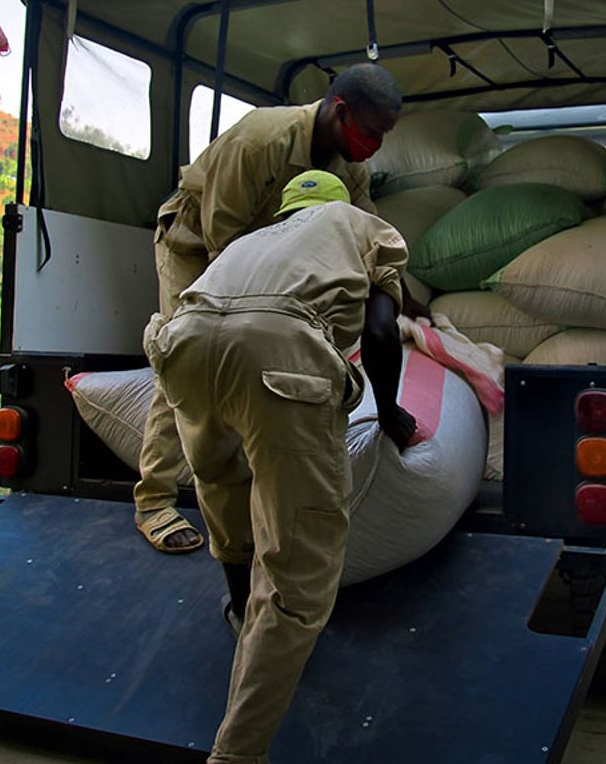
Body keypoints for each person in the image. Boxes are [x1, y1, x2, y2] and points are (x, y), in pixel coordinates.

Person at [144, 170, 416, 764]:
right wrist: (389, 409)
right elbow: (379, 329)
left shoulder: (248, 241)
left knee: (222, 483)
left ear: (285, 211)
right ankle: (238, 752)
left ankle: (244, 614)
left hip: (182, 346)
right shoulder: (364, 226)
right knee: (299, 573)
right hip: (277, 354)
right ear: (342, 203)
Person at [134, 64, 402, 555]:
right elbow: (223, 242)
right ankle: (154, 501)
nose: (375, 146)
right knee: (183, 354)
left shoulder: (350, 165)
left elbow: (367, 235)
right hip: (197, 243)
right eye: (370, 131)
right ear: (340, 111)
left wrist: (397, 291)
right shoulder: (260, 141)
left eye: (384, 135)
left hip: (268, 258)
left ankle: (253, 473)